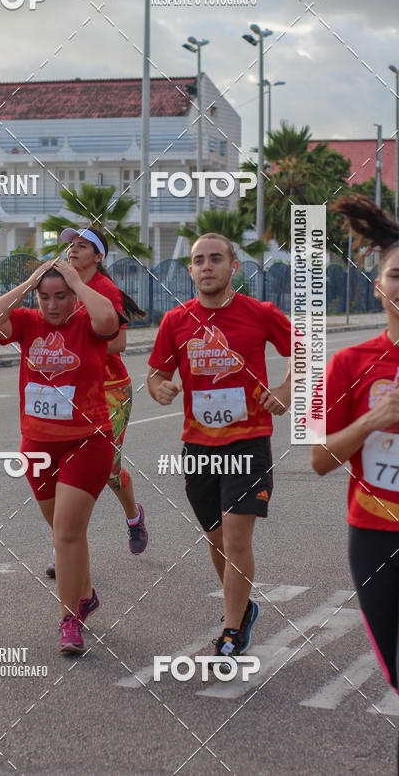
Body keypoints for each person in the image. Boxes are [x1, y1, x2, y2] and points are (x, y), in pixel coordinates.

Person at [147, 233, 292, 663]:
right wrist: (159, 388)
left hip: (248, 442)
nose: (207, 266)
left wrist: (286, 388)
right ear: (191, 271)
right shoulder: (175, 321)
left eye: (215, 259)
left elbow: (307, 350)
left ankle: (230, 629)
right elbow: (156, 374)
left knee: (235, 535)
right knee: (216, 539)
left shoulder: (259, 314)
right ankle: (242, 609)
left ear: (233, 267)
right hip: (198, 447)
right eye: (199, 260)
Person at [0, 257, 119, 654]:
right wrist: (28, 284)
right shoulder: (28, 323)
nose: (53, 305)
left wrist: (77, 281)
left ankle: (69, 620)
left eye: (61, 296)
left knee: (67, 533)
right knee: (63, 532)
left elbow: (109, 320)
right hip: (37, 445)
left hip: (87, 442)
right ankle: (85, 595)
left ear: (74, 296)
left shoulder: (88, 323)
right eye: (45, 297)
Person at [312, 196, 399, 769]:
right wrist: (372, 421)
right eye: (397, 275)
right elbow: (320, 459)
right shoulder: (349, 363)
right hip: (374, 536)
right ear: (377, 287)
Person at [44, 226, 149, 579]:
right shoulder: (60, 285)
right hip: (69, 389)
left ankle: (134, 517)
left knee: (108, 471)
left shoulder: (105, 289)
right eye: (71, 244)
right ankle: (63, 548)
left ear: (99, 256)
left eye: (82, 245)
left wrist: (80, 345)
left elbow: (118, 342)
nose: (73, 249)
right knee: (64, 471)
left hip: (109, 391)